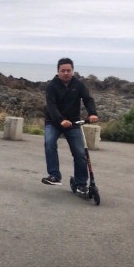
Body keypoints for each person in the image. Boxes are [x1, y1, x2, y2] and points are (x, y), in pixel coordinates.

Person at [42, 57, 99, 195]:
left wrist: (92, 113)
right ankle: (54, 175)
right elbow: (51, 106)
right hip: (54, 122)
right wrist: (61, 120)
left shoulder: (78, 85)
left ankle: (80, 184)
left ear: (72, 71)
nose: (66, 73)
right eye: (63, 70)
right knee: (49, 143)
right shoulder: (52, 86)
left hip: (73, 123)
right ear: (58, 71)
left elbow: (88, 99)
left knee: (80, 153)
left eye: (68, 70)